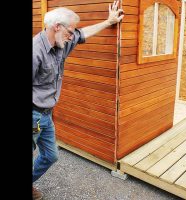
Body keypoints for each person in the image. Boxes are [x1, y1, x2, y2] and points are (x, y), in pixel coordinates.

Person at [32, 1, 124, 199]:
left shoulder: (62, 42)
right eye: (70, 31)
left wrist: (109, 21)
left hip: (46, 115)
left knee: (50, 156)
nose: (73, 35)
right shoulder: (35, 51)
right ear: (57, 27)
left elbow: (84, 33)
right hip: (33, 114)